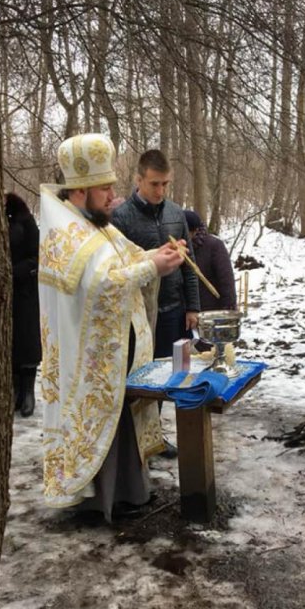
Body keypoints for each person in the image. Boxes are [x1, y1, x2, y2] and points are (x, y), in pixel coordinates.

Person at [39, 133, 184, 524]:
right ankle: (97, 501)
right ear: (82, 190)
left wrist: (159, 255)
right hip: (87, 354)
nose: (111, 194)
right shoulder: (64, 231)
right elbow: (102, 283)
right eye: (105, 187)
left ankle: (127, 493)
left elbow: (127, 255)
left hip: (111, 347)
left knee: (120, 418)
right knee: (103, 419)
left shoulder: (95, 223)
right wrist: (153, 268)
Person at [112, 149, 200, 458]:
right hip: (138, 316)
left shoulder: (176, 214)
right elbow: (117, 270)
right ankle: (131, 443)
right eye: (154, 184)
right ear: (138, 180)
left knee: (165, 379)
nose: (160, 191)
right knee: (138, 380)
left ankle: (155, 437)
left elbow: (189, 265)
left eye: (165, 184)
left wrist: (193, 308)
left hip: (174, 311)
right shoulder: (120, 219)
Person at [6, 192, 41, 417]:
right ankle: (15, 388)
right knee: (9, 342)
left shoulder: (25, 220)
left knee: (26, 340)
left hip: (25, 290)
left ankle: (28, 391)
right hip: (2, 293)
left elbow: (37, 255)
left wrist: (13, 272)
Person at [185, 210, 237, 311]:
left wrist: (229, 305)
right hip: (186, 311)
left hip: (211, 308)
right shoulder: (179, 248)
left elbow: (226, 277)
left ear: (195, 230)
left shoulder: (214, 246)